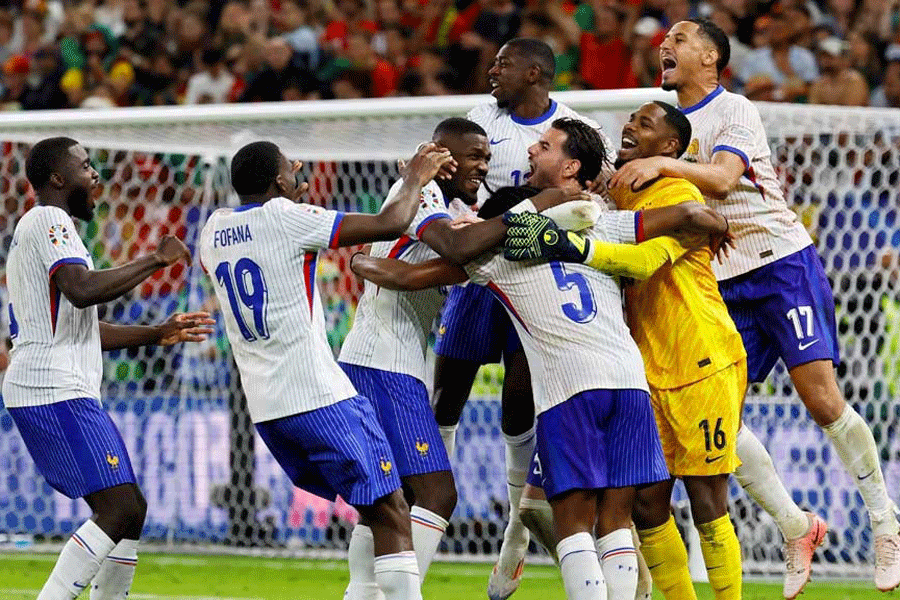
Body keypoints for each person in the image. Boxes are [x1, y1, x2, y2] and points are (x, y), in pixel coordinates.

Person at [350, 117, 732, 600]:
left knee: (573, 523)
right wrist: (718, 224)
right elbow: (689, 215)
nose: (530, 151)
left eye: (545, 146)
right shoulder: (601, 226)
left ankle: (371, 589)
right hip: (631, 383)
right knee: (616, 521)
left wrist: (357, 260)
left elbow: (409, 274)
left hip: (569, 390)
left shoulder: (499, 252)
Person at [611, 17, 900, 596]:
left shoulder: (733, 109)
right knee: (724, 422)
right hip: (721, 283)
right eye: (665, 39)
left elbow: (721, 180)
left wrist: (664, 164)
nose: (665, 44)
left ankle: (884, 522)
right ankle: (795, 526)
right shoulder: (659, 129)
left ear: (711, 58)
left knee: (821, 400)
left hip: (779, 263)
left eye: (680, 38)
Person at [504, 101, 746, 600]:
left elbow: (644, 261)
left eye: (644, 123)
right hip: (643, 367)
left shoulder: (679, 192)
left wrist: (575, 247)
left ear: (670, 147)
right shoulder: (617, 192)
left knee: (707, 499)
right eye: (631, 120)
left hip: (699, 358)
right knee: (647, 506)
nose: (630, 126)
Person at [198, 140, 453, 600]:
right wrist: (415, 176)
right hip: (319, 397)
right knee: (393, 510)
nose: (297, 173)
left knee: (375, 508)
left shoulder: (212, 230)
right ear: (279, 181)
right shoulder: (287, 218)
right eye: (289, 170)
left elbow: (264, 239)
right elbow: (391, 221)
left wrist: (288, 200)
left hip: (268, 412)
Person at [433, 37, 618, 600]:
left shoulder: (576, 128)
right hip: (481, 265)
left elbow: (598, 193)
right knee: (446, 394)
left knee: (518, 405)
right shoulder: (480, 117)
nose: (492, 70)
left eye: (504, 64)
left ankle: (514, 541)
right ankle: (427, 507)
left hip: (536, 275)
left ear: (535, 72)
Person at [3, 137, 214, 600]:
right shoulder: (48, 218)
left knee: (130, 509)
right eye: (84, 166)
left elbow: (82, 326)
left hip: (57, 385)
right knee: (119, 508)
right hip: (51, 386)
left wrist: (156, 333)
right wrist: (154, 259)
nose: (95, 173)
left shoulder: (49, 230)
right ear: (57, 178)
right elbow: (82, 291)